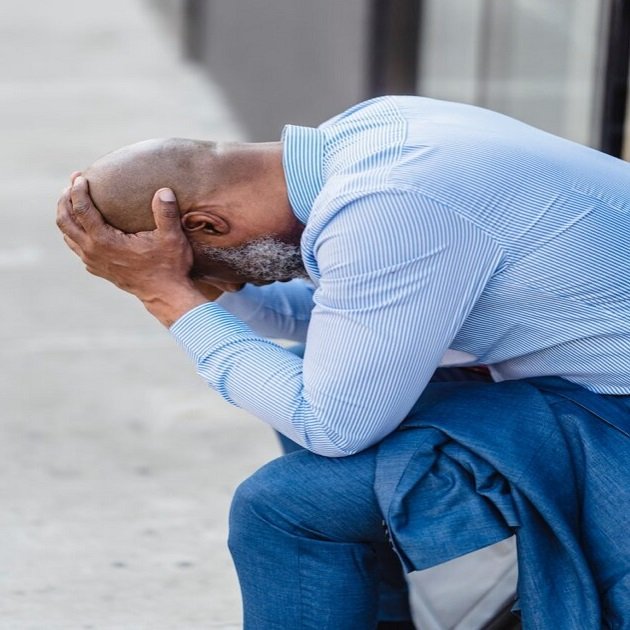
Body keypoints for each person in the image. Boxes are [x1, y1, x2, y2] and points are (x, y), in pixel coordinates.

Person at [56, 96, 630, 629]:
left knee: (282, 506)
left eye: (202, 263)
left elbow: (333, 424)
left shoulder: (392, 202)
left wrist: (168, 296)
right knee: (316, 369)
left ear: (206, 225)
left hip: (615, 410)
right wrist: (191, 283)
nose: (215, 280)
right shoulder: (371, 134)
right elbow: (339, 312)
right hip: (592, 374)